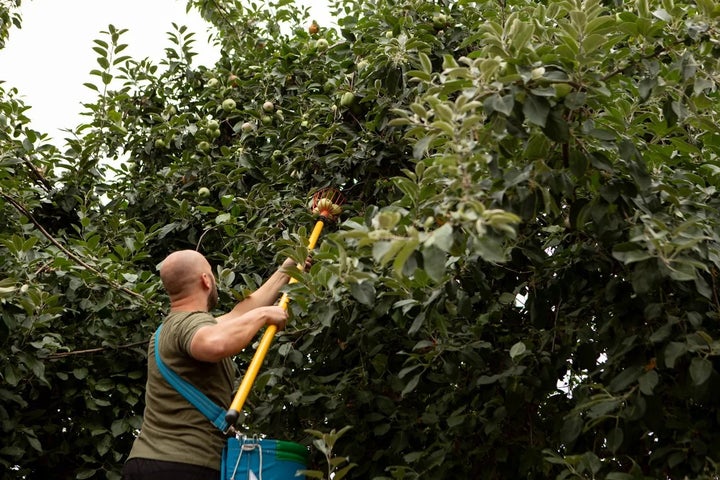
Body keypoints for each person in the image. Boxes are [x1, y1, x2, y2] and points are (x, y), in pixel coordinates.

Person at [122, 249, 297, 480]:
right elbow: (215, 343)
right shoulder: (190, 325)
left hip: (149, 462)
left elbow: (240, 313)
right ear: (206, 280)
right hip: (183, 466)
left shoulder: (171, 328)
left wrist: (288, 268)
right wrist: (263, 316)